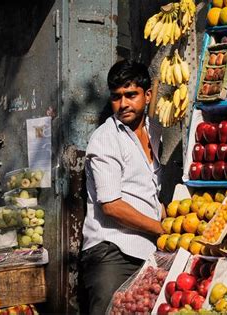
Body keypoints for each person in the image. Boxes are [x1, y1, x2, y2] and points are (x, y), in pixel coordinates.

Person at [79, 59, 165, 315]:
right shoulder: (106, 139)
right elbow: (112, 206)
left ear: (147, 95)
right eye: (117, 97)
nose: (124, 104)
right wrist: (161, 229)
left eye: (131, 95)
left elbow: (145, 191)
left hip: (146, 254)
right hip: (112, 253)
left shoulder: (154, 132)